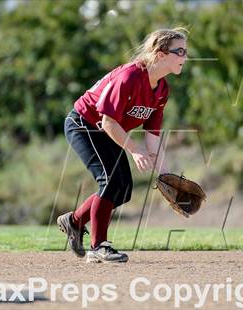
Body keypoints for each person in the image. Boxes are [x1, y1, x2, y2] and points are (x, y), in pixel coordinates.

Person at [57, 28, 188, 263]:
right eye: (179, 51)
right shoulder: (130, 77)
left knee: (123, 189)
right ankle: (99, 247)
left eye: (185, 52)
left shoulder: (162, 89)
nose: (184, 57)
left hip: (109, 130)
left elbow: (152, 137)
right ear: (160, 54)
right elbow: (107, 121)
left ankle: (74, 221)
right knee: (110, 181)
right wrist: (134, 150)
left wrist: (167, 176)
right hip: (84, 124)